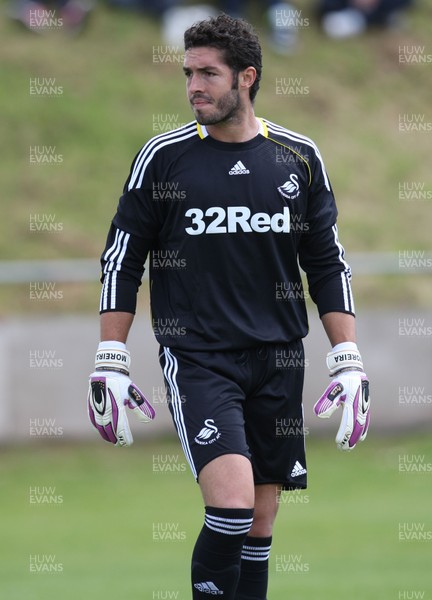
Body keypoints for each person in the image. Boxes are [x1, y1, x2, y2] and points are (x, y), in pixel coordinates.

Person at [87, 13, 370, 599]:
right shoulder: (163, 159)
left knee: (260, 525)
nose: (194, 85)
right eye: (188, 73)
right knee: (234, 507)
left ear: (247, 77)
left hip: (278, 359)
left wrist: (348, 356)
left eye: (208, 74)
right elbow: (122, 257)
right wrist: (110, 352)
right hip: (199, 359)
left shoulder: (298, 157)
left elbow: (326, 261)